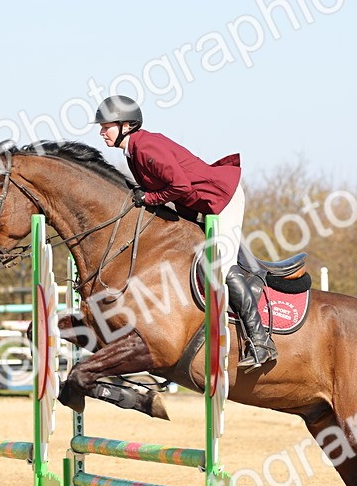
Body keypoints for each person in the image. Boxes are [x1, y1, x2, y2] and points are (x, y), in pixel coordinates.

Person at [94, 95, 277, 370]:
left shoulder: (145, 147)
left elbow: (179, 186)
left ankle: (261, 341)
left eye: (106, 126)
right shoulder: (133, 152)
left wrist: (149, 199)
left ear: (126, 125)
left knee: (223, 266)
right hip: (199, 203)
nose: (101, 132)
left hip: (221, 198)